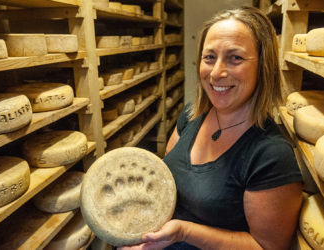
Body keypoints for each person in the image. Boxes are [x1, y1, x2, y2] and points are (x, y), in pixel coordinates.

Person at [120, 6, 302, 250]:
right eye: (209, 57)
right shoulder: (191, 115)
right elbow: (165, 187)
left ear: (263, 65)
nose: (217, 73)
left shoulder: (270, 155)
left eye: (235, 57)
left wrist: (184, 232)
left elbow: (266, 246)